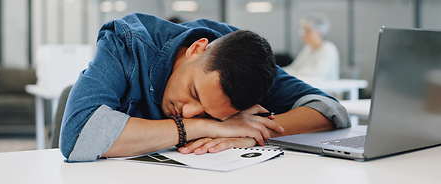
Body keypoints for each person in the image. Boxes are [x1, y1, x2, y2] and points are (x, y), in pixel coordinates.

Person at [59, 13, 350, 162]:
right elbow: (78, 135)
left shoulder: (245, 60)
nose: (188, 110)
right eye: (195, 93)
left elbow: (330, 109)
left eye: (214, 115)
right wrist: (203, 127)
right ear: (197, 49)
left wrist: (249, 133)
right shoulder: (126, 43)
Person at [283, 14, 340, 80]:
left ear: (319, 33)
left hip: (325, 89)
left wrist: (292, 73)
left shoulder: (329, 49)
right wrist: (278, 72)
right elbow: (295, 67)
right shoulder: (308, 48)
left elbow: (317, 74)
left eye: (307, 31)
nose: (303, 35)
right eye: (302, 31)